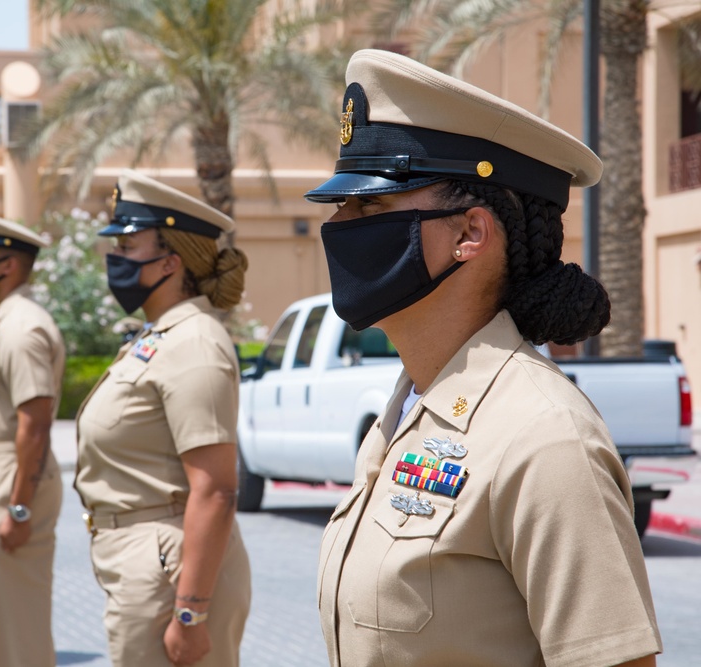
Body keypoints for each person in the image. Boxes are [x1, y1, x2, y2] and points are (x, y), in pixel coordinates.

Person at [308, 50, 662, 666]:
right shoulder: (408, 409)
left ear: (471, 233)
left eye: (369, 206)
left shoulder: (545, 439)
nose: (339, 224)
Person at [75, 170, 252, 667]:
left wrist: (191, 613)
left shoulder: (195, 342)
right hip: (150, 563)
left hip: (173, 569)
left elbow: (216, 489)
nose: (116, 259)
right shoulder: (159, 336)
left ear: (171, 262)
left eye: (129, 248)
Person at [0, 210, 64, 667]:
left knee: (18, 625)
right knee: (7, 620)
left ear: (7, 264)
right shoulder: (7, 319)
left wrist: (19, 506)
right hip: (0, 471)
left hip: (12, 477)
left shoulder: (21, 326)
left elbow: (35, 422)